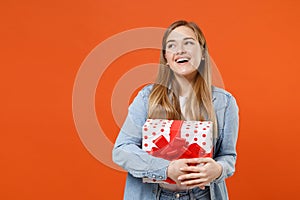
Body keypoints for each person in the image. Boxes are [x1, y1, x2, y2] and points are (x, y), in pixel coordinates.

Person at [112, 20, 239, 200]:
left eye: (188, 42)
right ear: (166, 58)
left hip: (202, 195)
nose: (180, 50)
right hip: (153, 195)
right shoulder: (146, 98)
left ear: (202, 53)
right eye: (172, 45)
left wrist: (218, 169)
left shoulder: (224, 103)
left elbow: (228, 156)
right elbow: (122, 150)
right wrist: (166, 169)